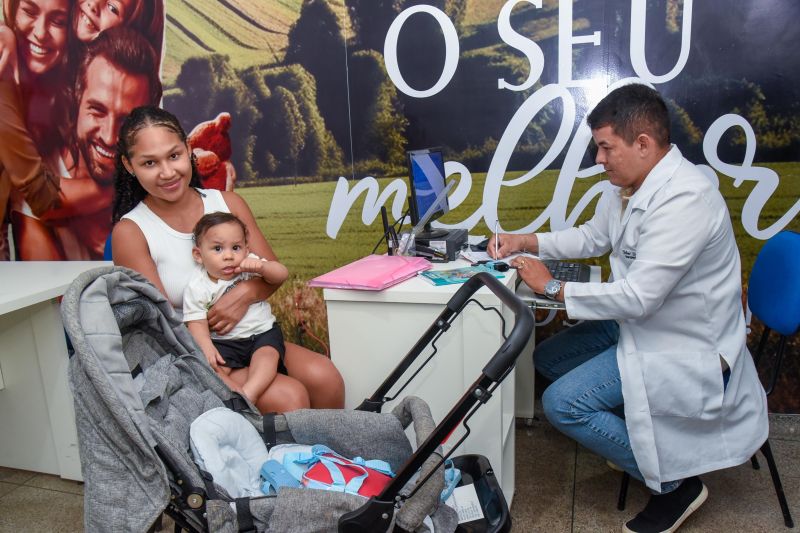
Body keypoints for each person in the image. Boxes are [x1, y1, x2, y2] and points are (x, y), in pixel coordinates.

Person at [489, 84, 768, 533]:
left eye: (605, 148)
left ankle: (676, 485)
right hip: (646, 325)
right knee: (546, 359)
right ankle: (638, 437)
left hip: (687, 345)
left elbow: (640, 297)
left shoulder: (686, 199)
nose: (599, 159)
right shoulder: (629, 186)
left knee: (563, 405)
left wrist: (555, 287)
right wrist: (527, 241)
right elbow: (593, 237)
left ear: (643, 144)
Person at [111, 105, 345, 413]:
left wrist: (243, 295)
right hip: (198, 353)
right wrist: (218, 373)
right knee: (290, 396)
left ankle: (331, 460)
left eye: (174, 156)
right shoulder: (132, 231)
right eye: (149, 163)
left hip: (253, 336)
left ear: (189, 148)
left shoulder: (228, 202)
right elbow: (162, 327)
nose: (167, 172)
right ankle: (289, 461)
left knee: (327, 377)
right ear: (129, 166)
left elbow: (270, 273)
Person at [16, 26, 161, 259]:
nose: (109, 136)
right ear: (76, 97)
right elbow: (50, 292)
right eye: (97, 111)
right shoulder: (40, 175)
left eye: (127, 120)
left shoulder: (164, 176)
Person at [184, 211, 294, 409]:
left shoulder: (249, 265)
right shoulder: (198, 286)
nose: (228, 256)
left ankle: (250, 394)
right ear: (198, 255)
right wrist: (207, 347)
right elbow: (196, 322)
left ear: (246, 249)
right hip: (224, 342)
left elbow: (281, 274)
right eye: (217, 249)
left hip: (261, 334)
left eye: (236, 248)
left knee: (268, 356)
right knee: (212, 367)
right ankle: (229, 399)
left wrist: (262, 267)